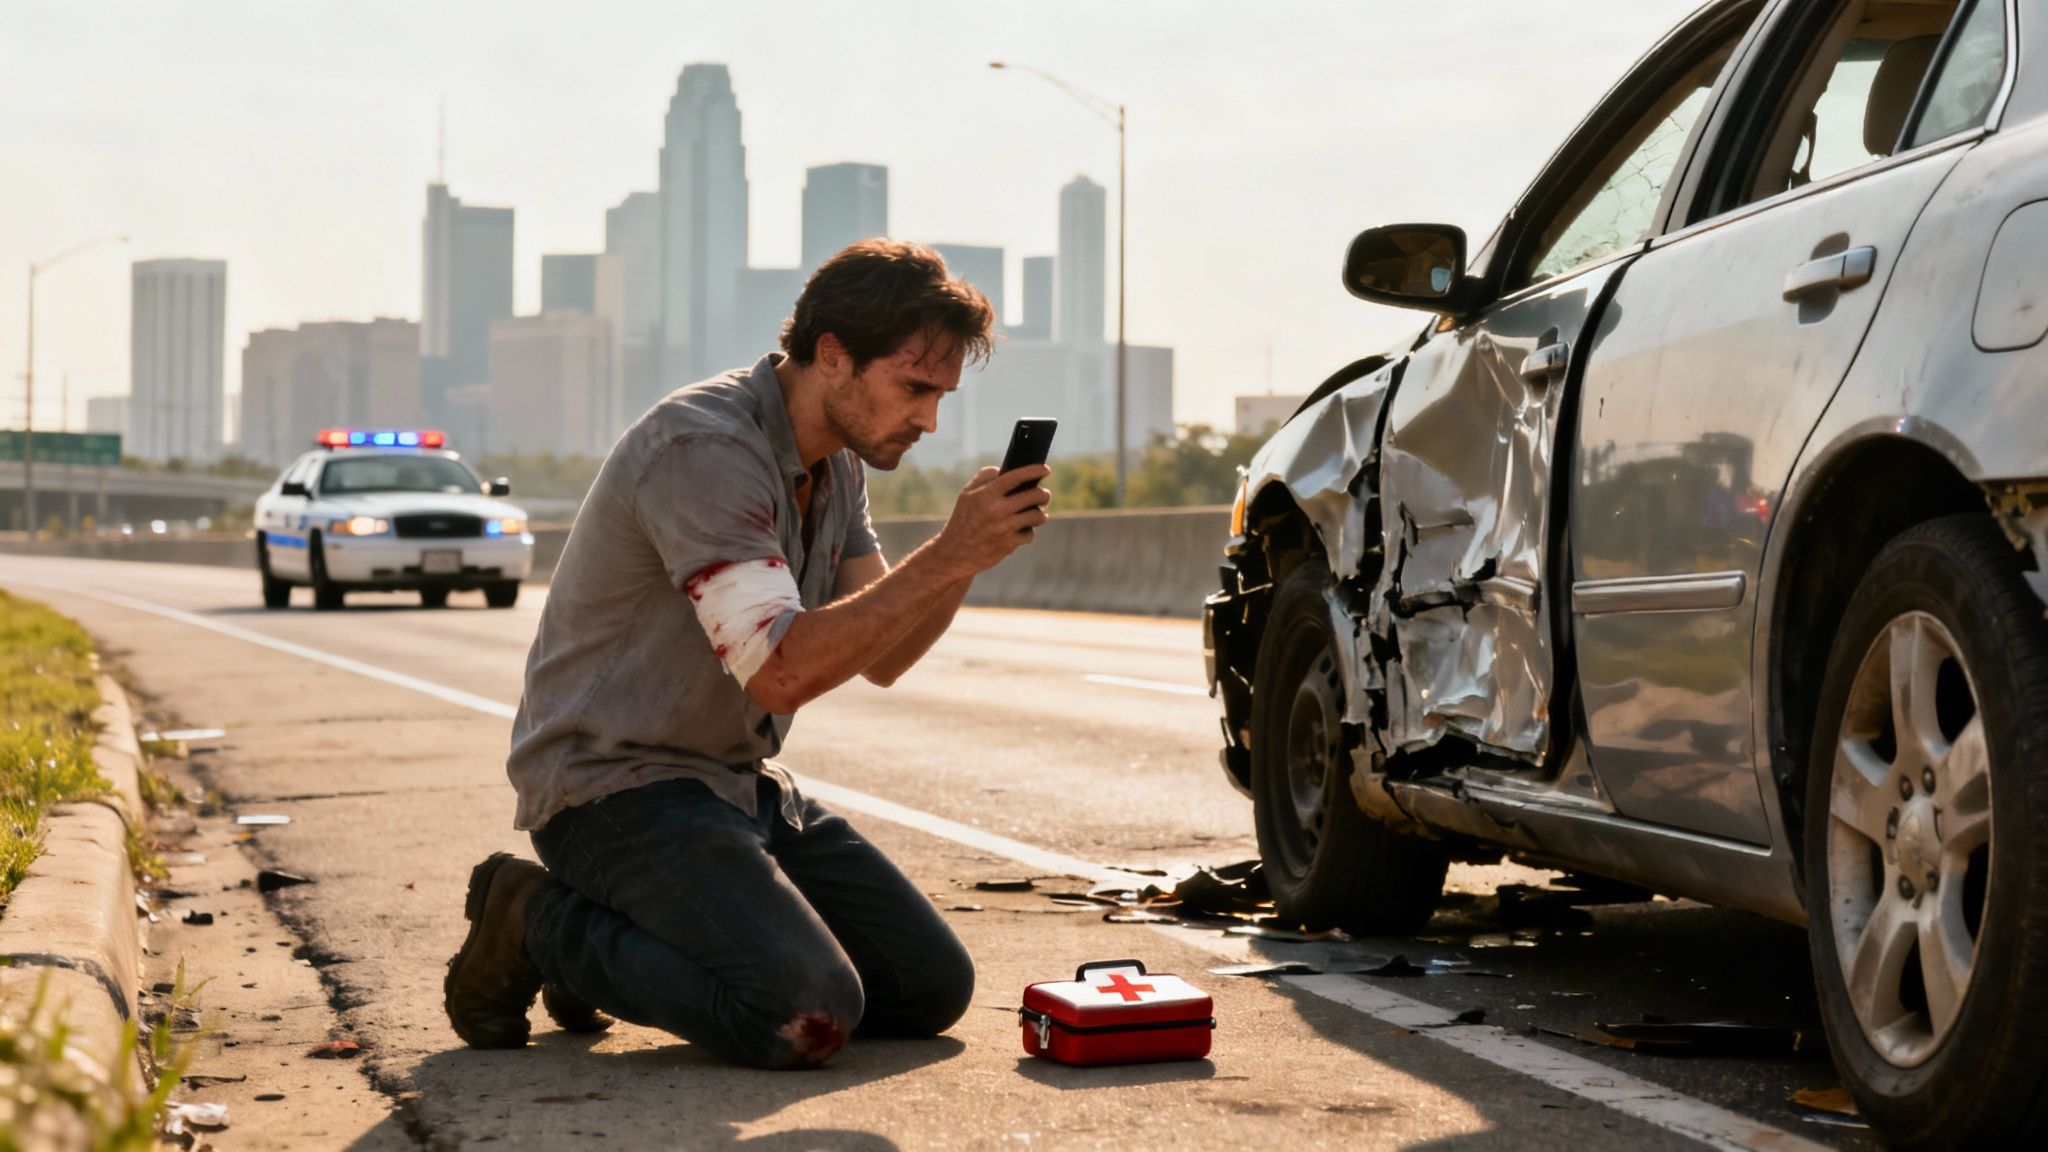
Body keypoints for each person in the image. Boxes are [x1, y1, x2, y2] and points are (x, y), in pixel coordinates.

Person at [442, 239, 1051, 1069]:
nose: (929, 419)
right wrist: (947, 552)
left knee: (925, 988)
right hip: (610, 788)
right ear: (832, 355)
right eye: (914, 387)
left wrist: (972, 554)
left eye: (941, 394)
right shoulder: (702, 450)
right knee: (803, 1012)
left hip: (735, 787)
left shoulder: (837, 462)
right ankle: (535, 919)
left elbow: (886, 654)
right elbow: (782, 669)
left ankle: (623, 941)